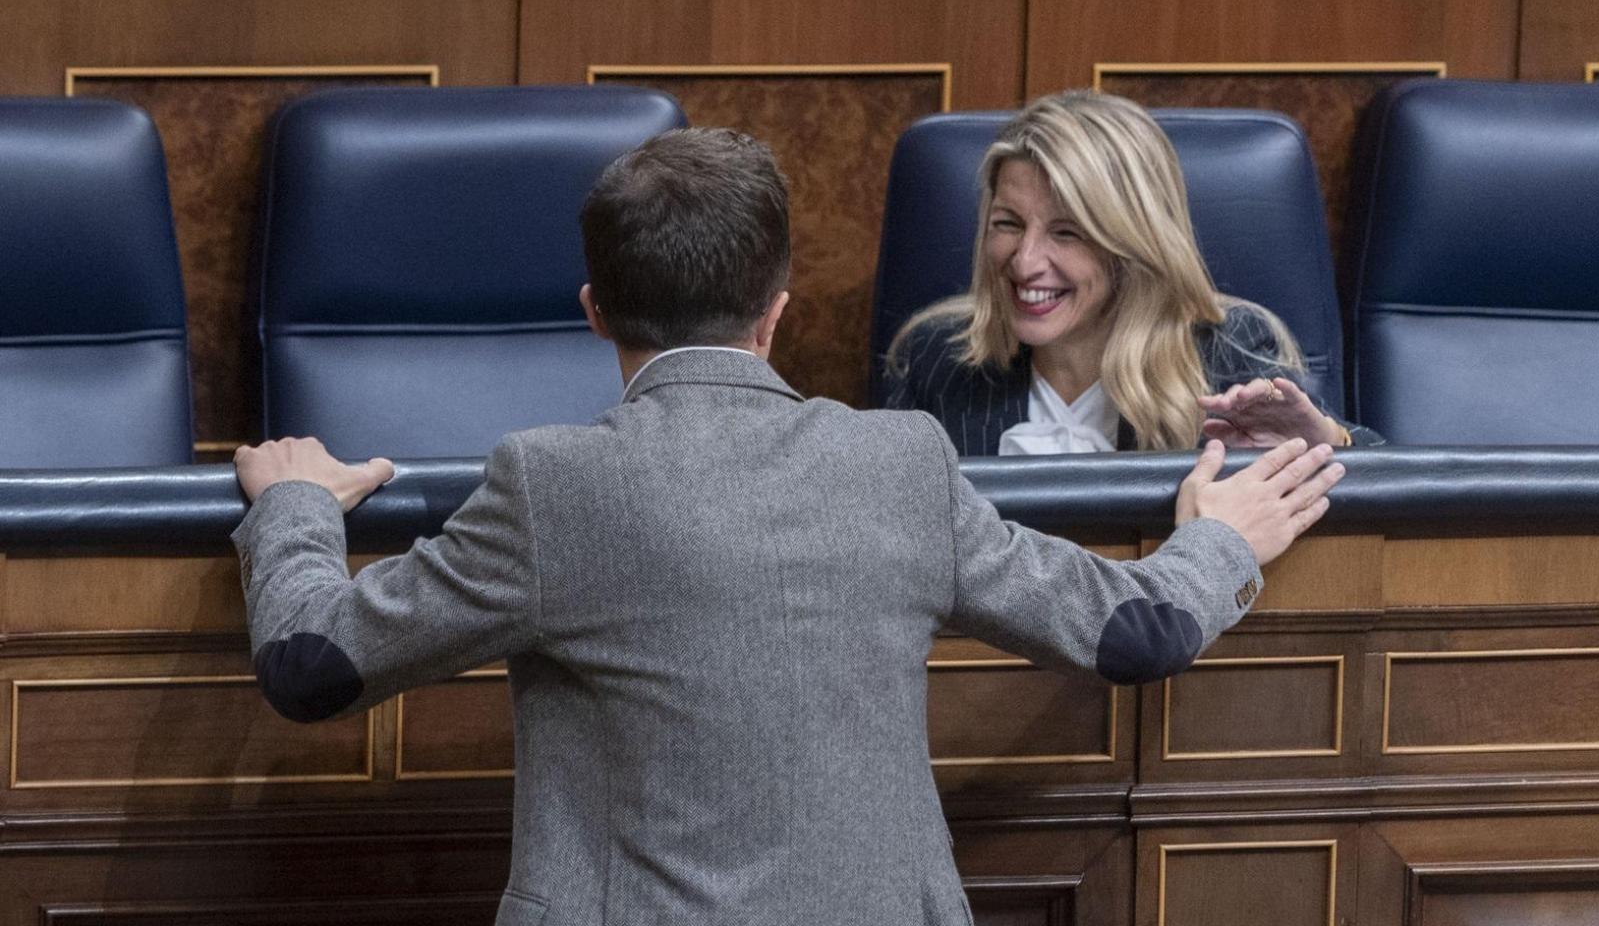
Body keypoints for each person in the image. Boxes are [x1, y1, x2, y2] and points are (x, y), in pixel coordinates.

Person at [231, 127, 1345, 926]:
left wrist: (290, 503)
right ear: (779, 306)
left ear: (593, 311)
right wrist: (1220, 535)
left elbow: (309, 664)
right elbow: (1136, 632)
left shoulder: (549, 483)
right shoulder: (898, 460)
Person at [886, 90, 1384, 457]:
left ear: (1132, 244)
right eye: (1008, 225)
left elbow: (1391, 483)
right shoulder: (937, 360)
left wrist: (1325, 442)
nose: (1024, 261)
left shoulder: (1225, 353)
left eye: (1067, 233)